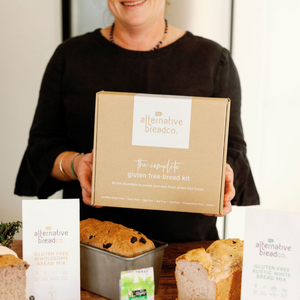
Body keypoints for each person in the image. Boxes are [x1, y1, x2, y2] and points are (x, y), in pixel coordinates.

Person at [15, 0, 259, 242]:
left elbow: (234, 152)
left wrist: (222, 176)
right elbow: (40, 150)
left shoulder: (213, 60)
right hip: (91, 252)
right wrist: (75, 164)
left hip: (186, 254)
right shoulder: (70, 56)